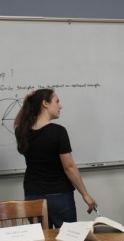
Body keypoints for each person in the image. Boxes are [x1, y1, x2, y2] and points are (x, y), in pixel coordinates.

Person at [14, 89, 97, 229]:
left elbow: (16, 124)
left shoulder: (23, 132)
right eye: (57, 101)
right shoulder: (58, 131)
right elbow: (69, 167)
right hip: (59, 195)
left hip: (32, 196)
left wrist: (25, 104)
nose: (60, 106)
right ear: (45, 103)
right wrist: (85, 194)